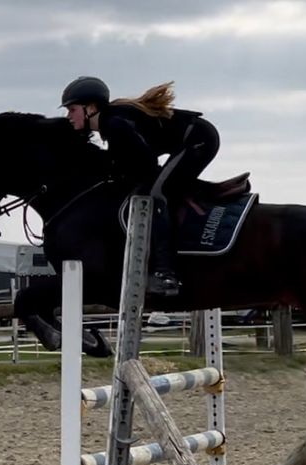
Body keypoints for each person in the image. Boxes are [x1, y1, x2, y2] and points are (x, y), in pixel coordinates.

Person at [60, 76, 220, 298]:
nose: (68, 116)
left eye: (72, 110)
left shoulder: (113, 124)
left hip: (199, 140)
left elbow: (145, 163)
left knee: (156, 193)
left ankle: (165, 272)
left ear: (91, 108)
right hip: (193, 138)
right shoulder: (112, 121)